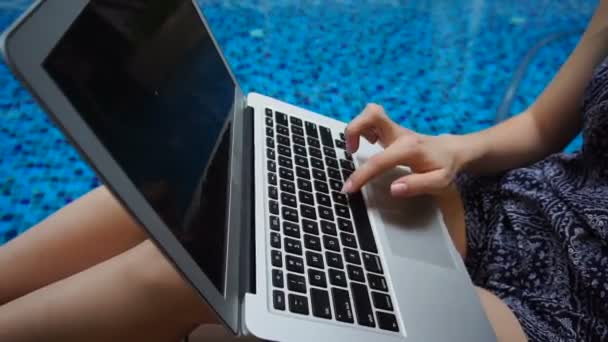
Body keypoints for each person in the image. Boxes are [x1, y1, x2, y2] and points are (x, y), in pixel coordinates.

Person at [1, 0, 607, 340]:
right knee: (210, 186)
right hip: (507, 212)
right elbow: (538, 127)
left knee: (201, 277)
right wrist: (452, 148)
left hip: (569, 318)